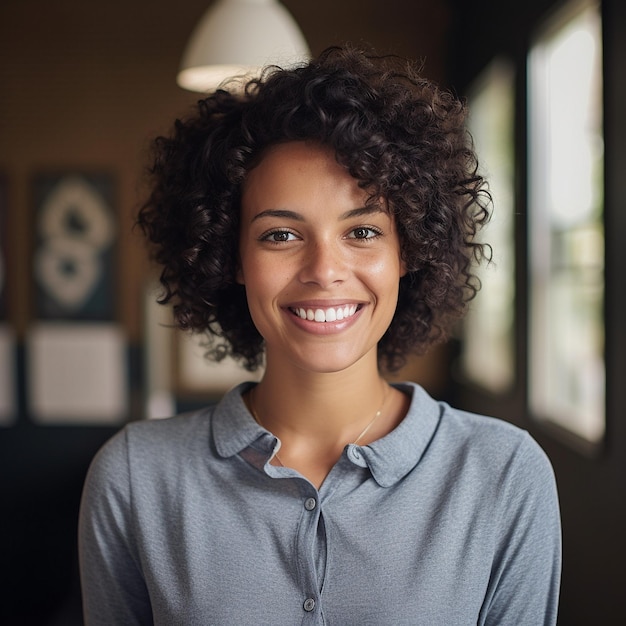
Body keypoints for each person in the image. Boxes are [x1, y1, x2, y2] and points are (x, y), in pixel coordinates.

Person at [78, 46, 561, 625]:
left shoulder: (502, 474)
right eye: (280, 235)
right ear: (230, 257)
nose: (324, 270)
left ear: (408, 250)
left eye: (361, 230)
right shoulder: (135, 478)